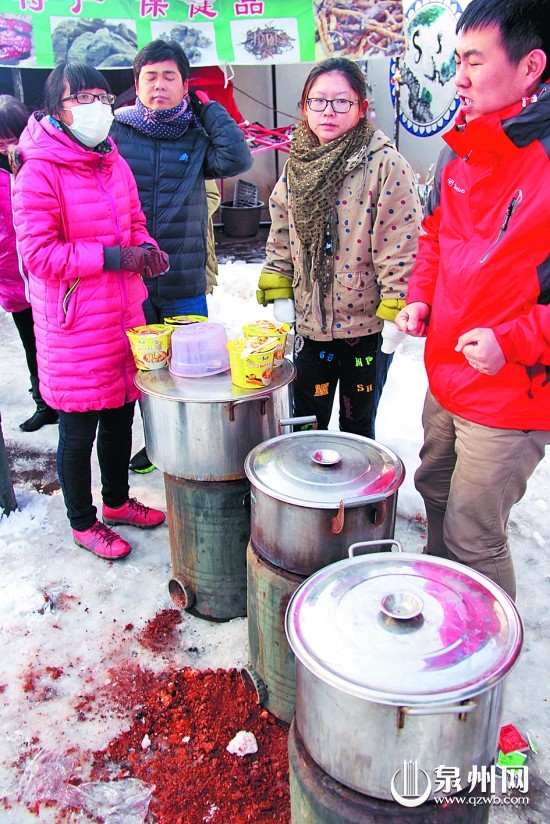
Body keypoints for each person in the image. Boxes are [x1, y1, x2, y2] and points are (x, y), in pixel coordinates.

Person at [395, 0, 550, 601]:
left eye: (473, 61)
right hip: (449, 371)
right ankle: (446, 599)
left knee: (475, 533)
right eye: (457, 59)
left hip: (512, 388)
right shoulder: (458, 147)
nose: (457, 76)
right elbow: (435, 236)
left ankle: (478, 673)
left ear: (531, 65)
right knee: (434, 485)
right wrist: (420, 298)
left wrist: (512, 340)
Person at [12, 62, 170, 561]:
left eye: (102, 96)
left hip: (123, 316)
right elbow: (38, 256)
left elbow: (135, 219)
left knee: (122, 416)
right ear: (55, 107)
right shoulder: (38, 169)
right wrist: (111, 257)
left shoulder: (111, 159)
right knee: (79, 429)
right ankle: (83, 521)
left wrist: (144, 247)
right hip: (74, 323)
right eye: (82, 97)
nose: (97, 107)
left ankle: (119, 502)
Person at [256, 57, 421, 438]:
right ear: (304, 107)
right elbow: (281, 233)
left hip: (364, 328)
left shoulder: (385, 166)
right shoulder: (298, 164)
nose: (327, 111)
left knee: (357, 426)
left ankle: (357, 499)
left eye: (341, 102)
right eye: (318, 101)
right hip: (310, 324)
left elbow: (401, 246)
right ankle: (309, 497)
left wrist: (397, 310)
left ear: (361, 108)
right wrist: (280, 287)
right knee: (306, 421)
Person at [110, 39, 253, 473]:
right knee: (146, 369)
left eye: (169, 76)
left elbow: (237, 157)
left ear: (185, 85)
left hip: (183, 275)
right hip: (131, 274)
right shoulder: (117, 131)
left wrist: (209, 110)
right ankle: (155, 441)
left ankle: (192, 443)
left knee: (193, 367)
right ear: (136, 84)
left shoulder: (196, 130)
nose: (159, 85)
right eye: (150, 76)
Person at [0, 95, 58, 432]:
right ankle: (43, 404)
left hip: (47, 276)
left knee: (56, 346)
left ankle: (64, 403)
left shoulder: (40, 161)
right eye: (1, 139)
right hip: (12, 279)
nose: (8, 146)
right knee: (31, 345)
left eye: (13, 136)